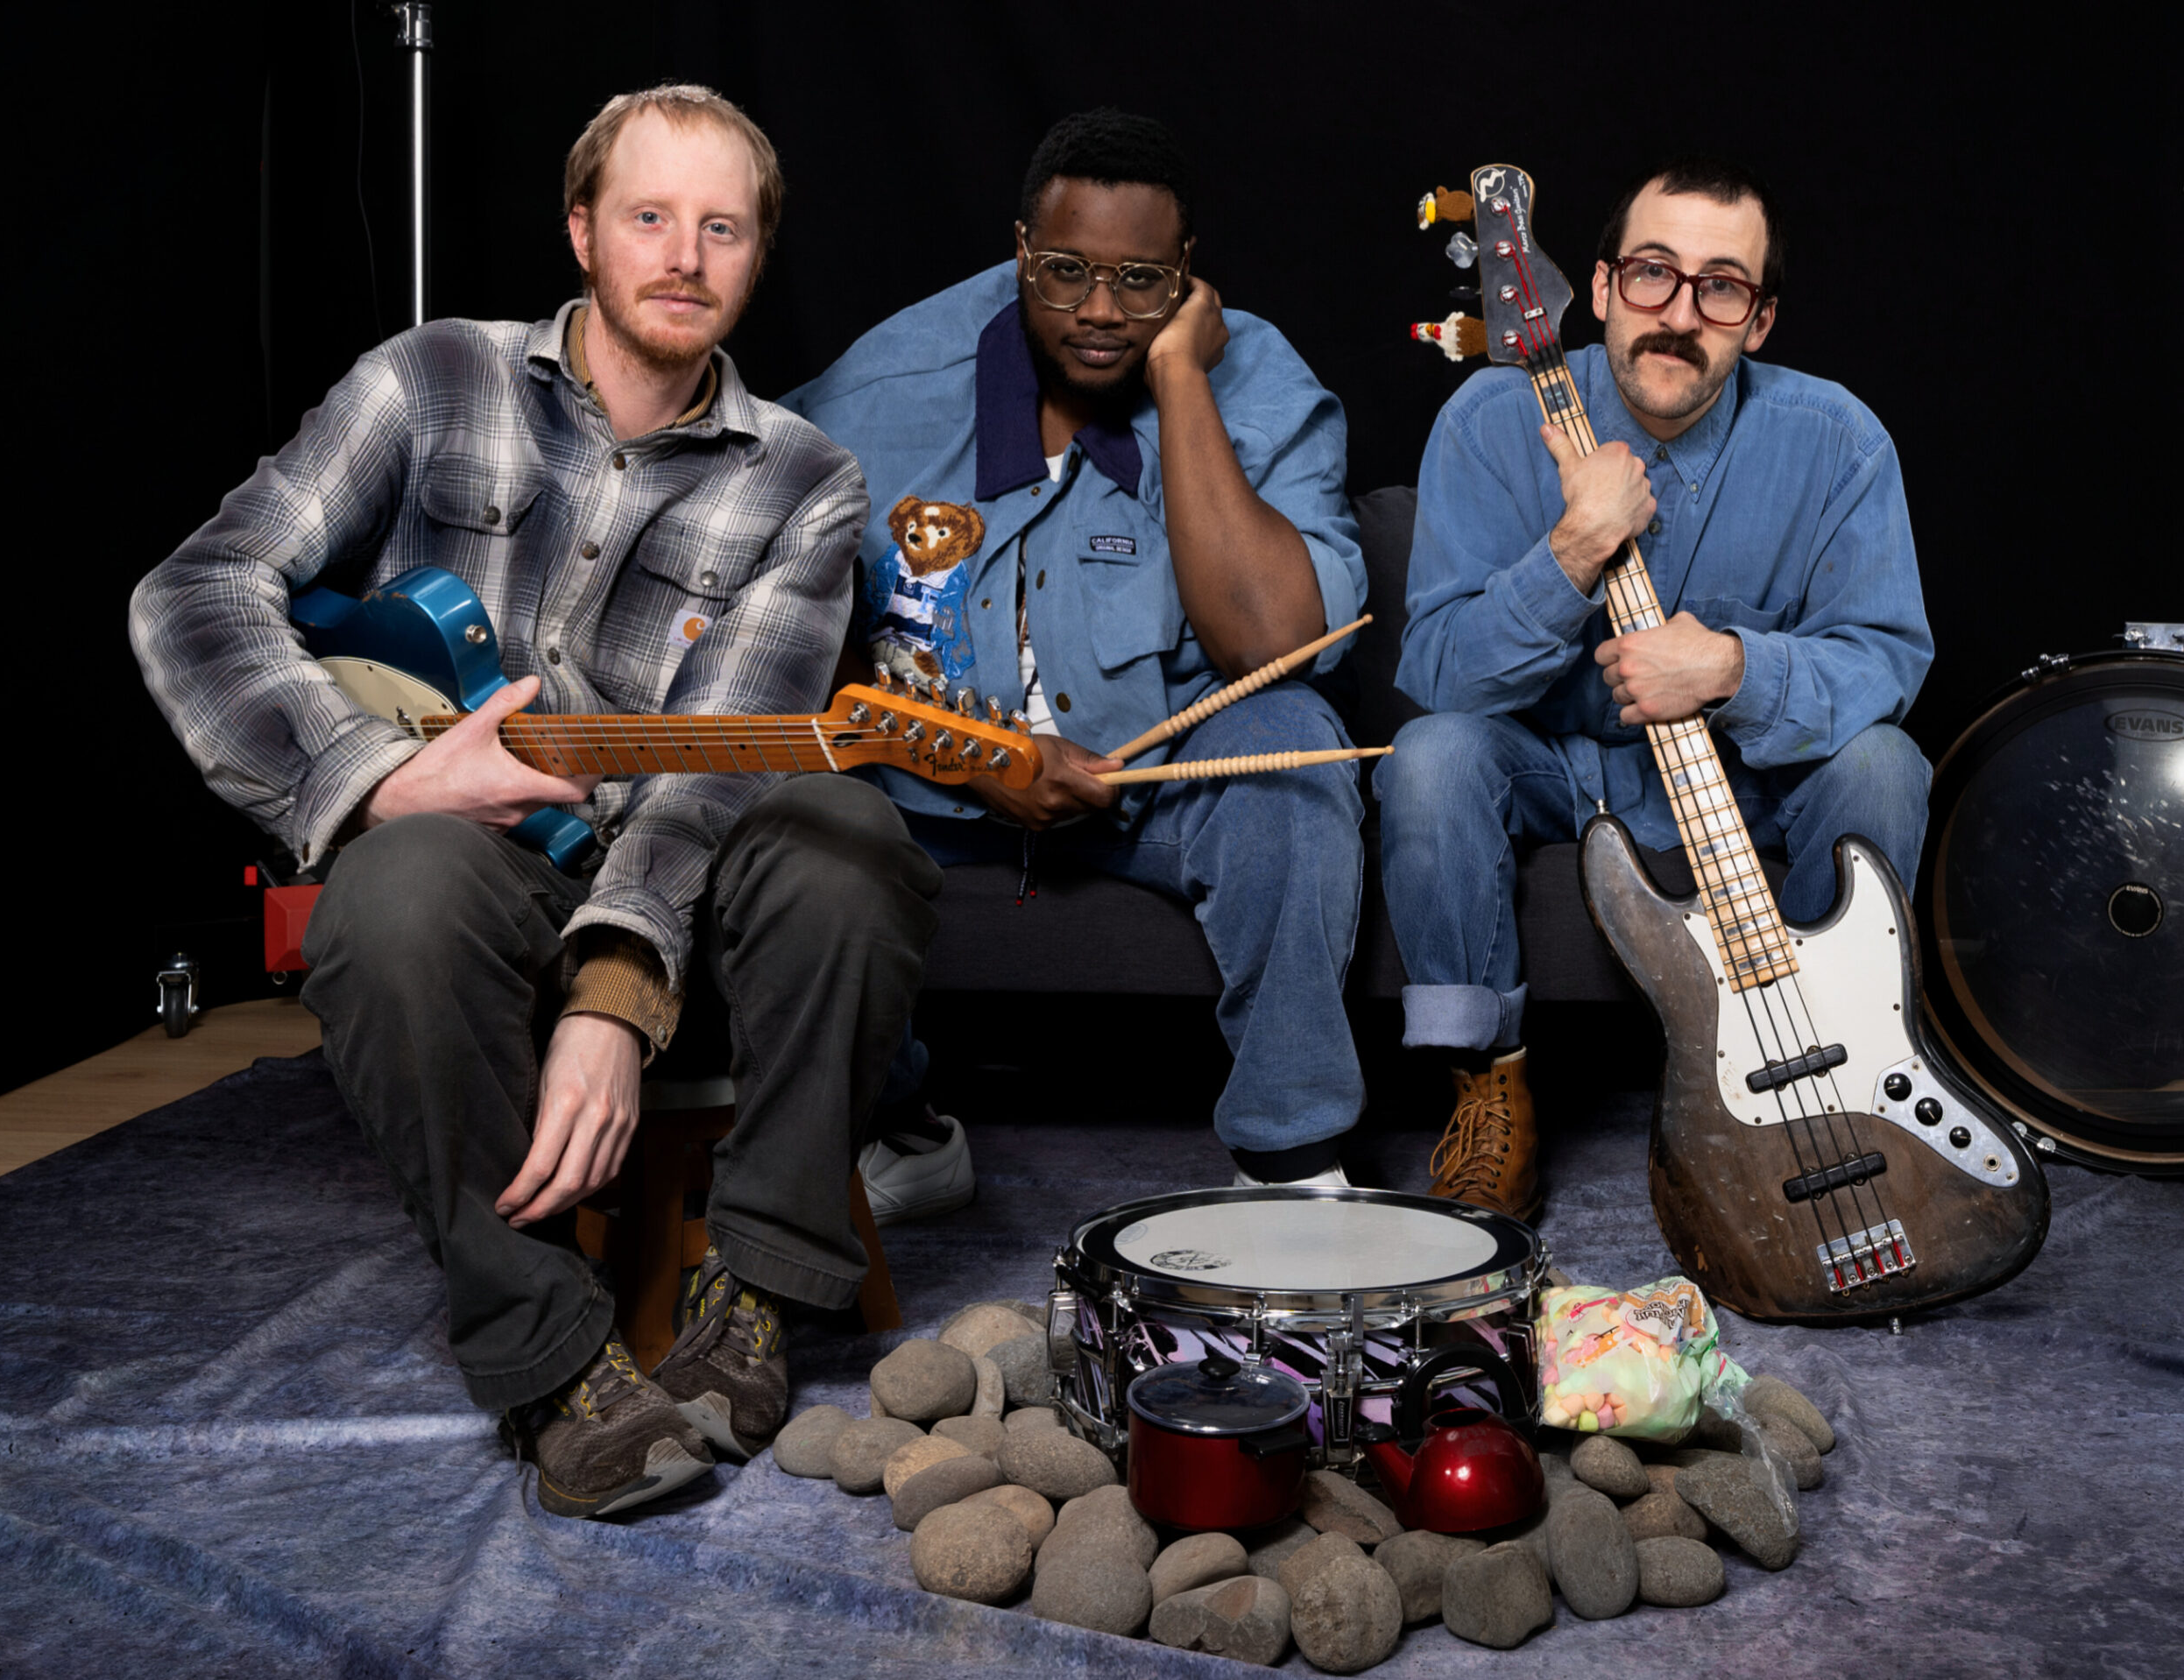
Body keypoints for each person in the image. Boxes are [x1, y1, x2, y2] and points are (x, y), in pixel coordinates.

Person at [131, 86, 941, 1518]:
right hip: (479, 870)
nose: (683, 256)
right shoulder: (430, 379)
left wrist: (613, 995)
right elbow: (195, 590)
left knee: (847, 837)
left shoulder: (809, 482)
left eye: (723, 228)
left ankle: (757, 1292)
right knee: (392, 887)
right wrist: (376, 773)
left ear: (759, 254)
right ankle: (553, 1360)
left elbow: (715, 757)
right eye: (649, 216)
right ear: (580, 229)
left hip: (686, 877)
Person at [786, 109, 1371, 1189]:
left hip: (1158, 788)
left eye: (1141, 282)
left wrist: (1181, 379)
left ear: (1187, 274)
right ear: (1021, 250)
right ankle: (899, 1130)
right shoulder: (879, 394)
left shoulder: (1259, 384)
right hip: (935, 793)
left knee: (1294, 743)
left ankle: (1288, 1161)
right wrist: (972, 757)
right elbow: (784, 637)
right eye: (1064, 272)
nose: (1100, 312)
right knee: (801, 807)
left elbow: (1273, 646)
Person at [1376, 158, 1933, 1221]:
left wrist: (1732, 668)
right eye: (1651, 274)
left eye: (1720, 288)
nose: (1678, 315)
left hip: (1746, 783)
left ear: (1758, 321)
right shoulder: (1488, 420)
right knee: (1431, 756)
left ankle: (1840, 1074)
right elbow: (1442, 674)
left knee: (1883, 762)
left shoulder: (1839, 441)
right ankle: (1486, 1086)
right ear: (1598, 289)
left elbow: (1885, 659)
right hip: (1556, 775)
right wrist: (1574, 549)